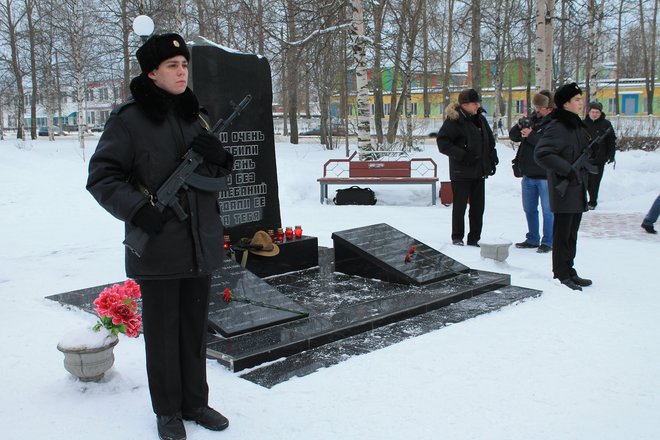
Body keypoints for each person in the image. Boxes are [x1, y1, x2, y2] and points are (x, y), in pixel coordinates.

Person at [86, 33, 233, 440]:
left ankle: (195, 402)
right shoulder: (129, 120)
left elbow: (213, 176)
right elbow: (102, 177)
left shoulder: (195, 116)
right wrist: (137, 209)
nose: (182, 72)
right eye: (172, 66)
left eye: (184, 65)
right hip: (158, 246)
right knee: (164, 336)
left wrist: (220, 158)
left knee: (194, 331)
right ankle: (167, 410)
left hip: (199, 243)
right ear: (152, 73)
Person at [535, 82, 592, 291]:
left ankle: (570, 270)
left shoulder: (575, 125)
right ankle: (561, 273)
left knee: (571, 233)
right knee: (562, 233)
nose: (581, 103)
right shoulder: (558, 126)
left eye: (580, 99)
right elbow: (542, 154)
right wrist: (567, 170)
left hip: (577, 187)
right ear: (565, 104)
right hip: (564, 187)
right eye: (577, 99)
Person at [437, 88, 498, 246]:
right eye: (474, 103)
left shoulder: (480, 119)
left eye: (478, 103)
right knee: (460, 206)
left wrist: (492, 158)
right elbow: (443, 143)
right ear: (464, 104)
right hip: (461, 172)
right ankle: (457, 237)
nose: (477, 106)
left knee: (478, 208)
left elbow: (489, 141)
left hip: (479, 171)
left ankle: (474, 238)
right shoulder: (454, 120)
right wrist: (463, 155)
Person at [510, 90, 555, 253]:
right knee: (529, 208)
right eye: (536, 107)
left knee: (548, 211)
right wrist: (519, 127)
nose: (537, 110)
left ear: (549, 108)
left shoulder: (555, 123)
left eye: (540, 107)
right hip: (528, 173)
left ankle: (548, 241)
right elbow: (514, 136)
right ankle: (533, 238)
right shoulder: (533, 119)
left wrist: (531, 135)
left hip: (545, 175)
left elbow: (549, 145)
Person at [583, 101, 617, 210]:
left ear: (600, 113)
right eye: (593, 112)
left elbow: (611, 141)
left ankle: (593, 201)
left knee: (595, 181)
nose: (594, 114)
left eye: (597, 112)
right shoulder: (583, 123)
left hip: (599, 158)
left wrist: (611, 155)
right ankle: (584, 200)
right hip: (585, 158)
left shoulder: (606, 124)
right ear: (589, 112)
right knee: (585, 181)